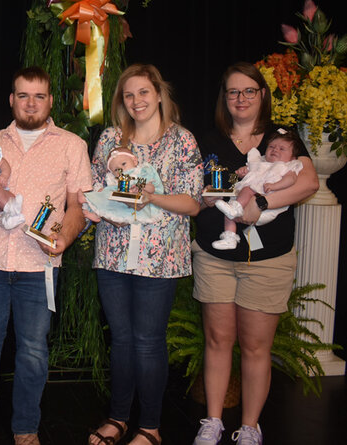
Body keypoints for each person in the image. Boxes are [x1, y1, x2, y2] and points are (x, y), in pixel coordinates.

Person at [0, 66, 92, 445]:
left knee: (32, 352)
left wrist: (66, 237)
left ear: (50, 100)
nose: (31, 103)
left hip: (38, 265)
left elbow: (79, 204)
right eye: (23, 95)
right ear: (11, 99)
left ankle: (26, 427)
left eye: (39, 96)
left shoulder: (71, 145)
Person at [191, 62, 317, 445]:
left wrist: (260, 201)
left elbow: (308, 182)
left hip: (268, 261)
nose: (241, 98)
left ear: (262, 94)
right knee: (217, 339)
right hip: (215, 256)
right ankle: (212, 422)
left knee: (256, 345)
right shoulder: (210, 139)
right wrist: (208, 198)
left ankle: (249, 428)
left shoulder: (282, 137)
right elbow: (199, 193)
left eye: (249, 91)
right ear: (223, 98)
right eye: (233, 92)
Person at [88, 64, 202, 445]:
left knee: (148, 341)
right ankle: (118, 419)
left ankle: (150, 427)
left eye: (143, 92)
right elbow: (93, 190)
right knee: (120, 339)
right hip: (114, 253)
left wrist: (150, 198)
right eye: (128, 95)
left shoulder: (182, 141)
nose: (136, 101)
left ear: (158, 94)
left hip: (161, 257)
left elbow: (192, 203)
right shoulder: (109, 139)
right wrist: (102, 211)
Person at [211, 129, 304, 250]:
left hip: (266, 200)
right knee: (228, 212)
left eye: (282, 149)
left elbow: (291, 179)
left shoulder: (288, 166)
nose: (275, 149)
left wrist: (275, 186)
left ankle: (235, 208)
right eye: (271, 146)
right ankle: (230, 238)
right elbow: (250, 170)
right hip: (246, 200)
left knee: (247, 190)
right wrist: (243, 171)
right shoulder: (261, 161)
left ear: (293, 157)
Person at [82, 146, 164, 225]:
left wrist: (141, 186)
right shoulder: (118, 181)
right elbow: (114, 192)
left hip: (141, 205)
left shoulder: (140, 173)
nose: (121, 170)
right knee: (106, 197)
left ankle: (90, 202)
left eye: (124, 164)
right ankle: (93, 210)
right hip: (122, 203)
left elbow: (152, 189)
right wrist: (103, 192)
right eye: (116, 170)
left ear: (134, 161)